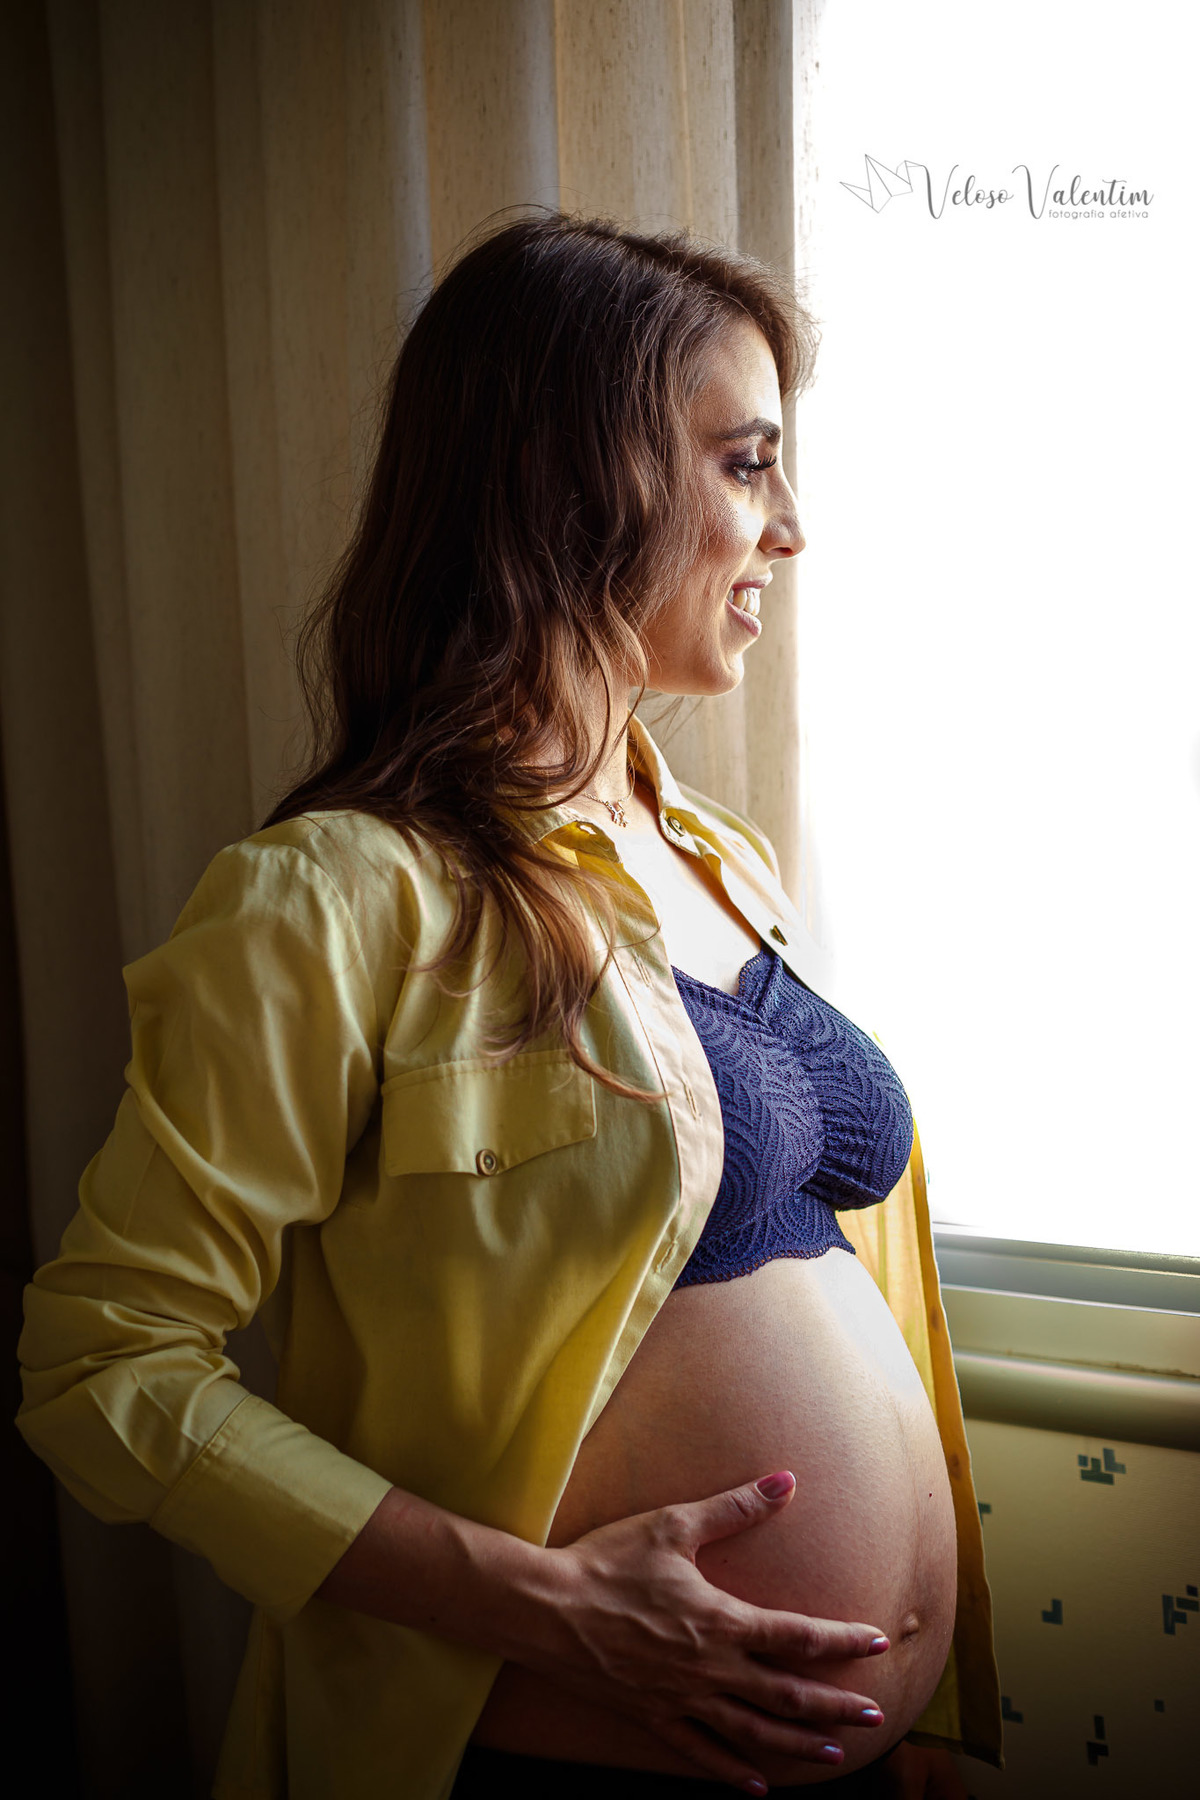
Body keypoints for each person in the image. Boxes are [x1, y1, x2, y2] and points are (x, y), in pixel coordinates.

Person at [17, 215, 999, 1800]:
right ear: (576, 485)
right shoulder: (338, 896)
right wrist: (551, 1609)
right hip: (557, 1757)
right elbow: (105, 1362)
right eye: (745, 466)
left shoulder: (720, 862)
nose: (791, 527)